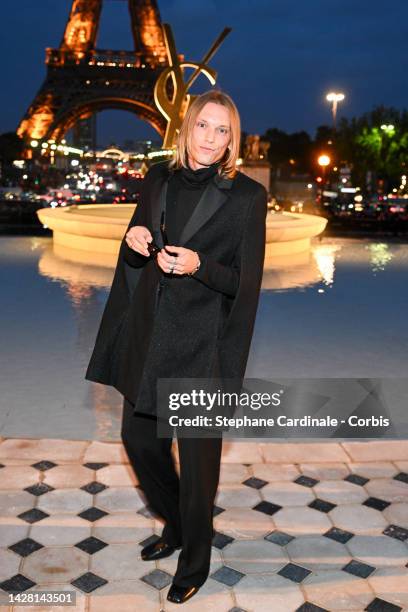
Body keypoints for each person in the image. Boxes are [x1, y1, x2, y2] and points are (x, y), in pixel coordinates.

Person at [85, 89, 267, 603]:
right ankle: (180, 523)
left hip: (201, 345)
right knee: (140, 444)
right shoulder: (159, 177)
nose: (211, 138)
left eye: (223, 130)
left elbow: (244, 283)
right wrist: (135, 239)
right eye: (205, 126)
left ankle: (195, 559)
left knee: (199, 462)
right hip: (149, 336)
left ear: (233, 139)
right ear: (187, 126)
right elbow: (137, 239)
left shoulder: (249, 196)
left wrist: (199, 266)